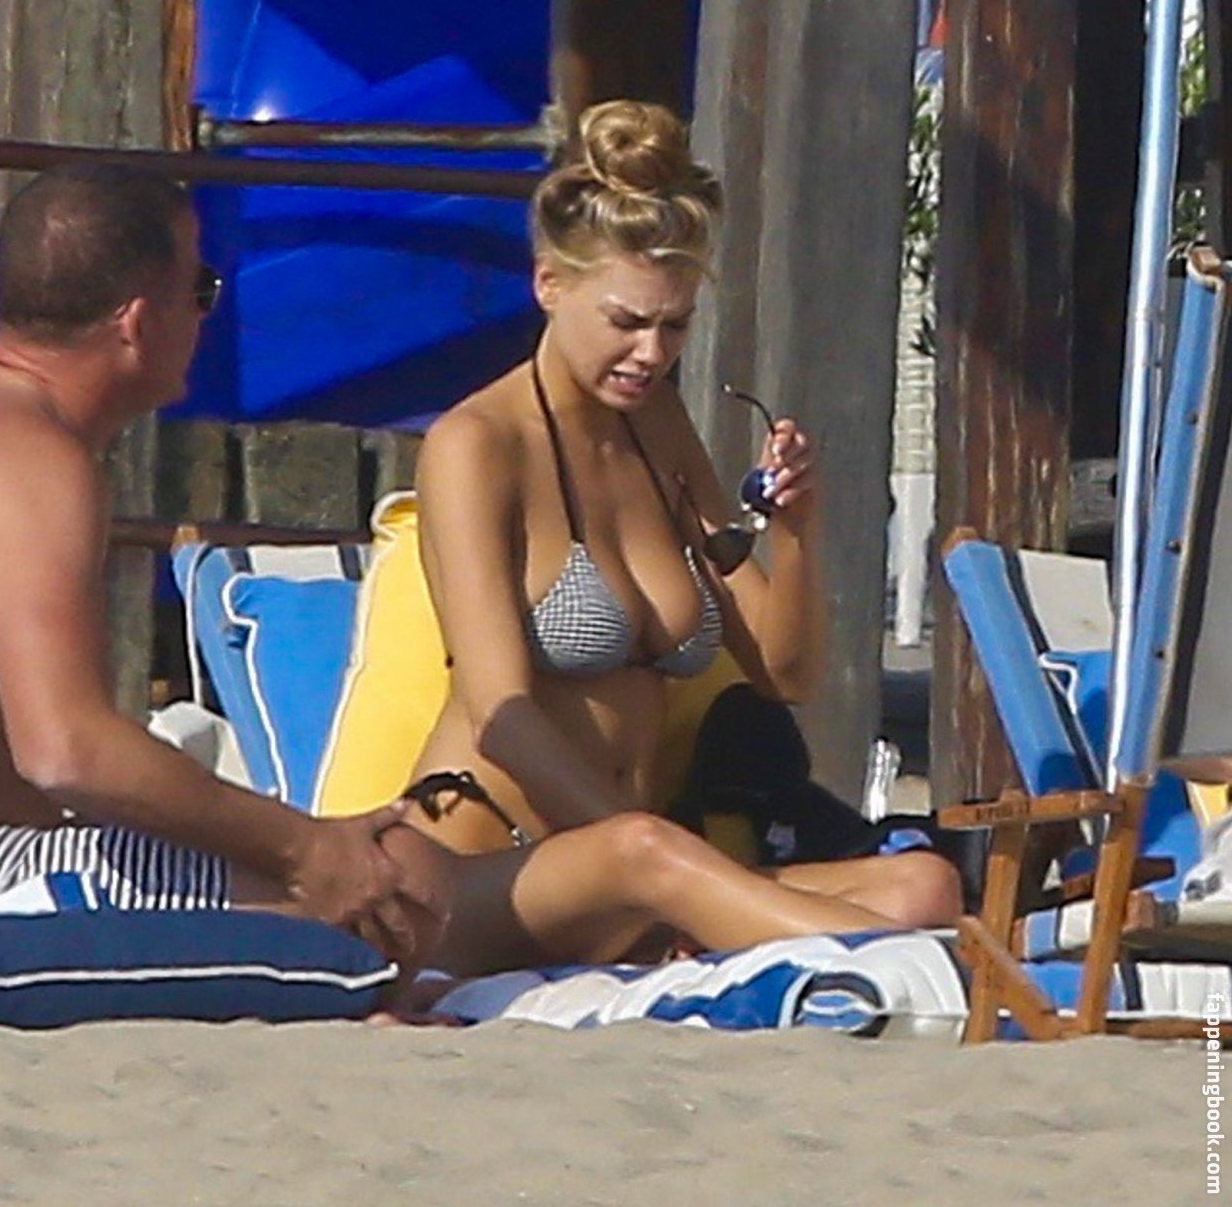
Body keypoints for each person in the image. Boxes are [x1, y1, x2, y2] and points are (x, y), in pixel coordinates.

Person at [0, 160, 941, 983]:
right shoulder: (35, 460)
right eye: (201, 289)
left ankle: (814, 931)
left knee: (360, 868)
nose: (211, 315)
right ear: (138, 320)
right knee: (380, 885)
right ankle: (862, 967)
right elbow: (68, 749)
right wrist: (305, 845)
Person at [402, 100, 962, 955]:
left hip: (640, 868)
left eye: (675, 325)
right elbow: (499, 717)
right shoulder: (476, 445)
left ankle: (902, 960)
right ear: (549, 285)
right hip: (484, 870)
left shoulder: (656, 426)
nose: (651, 354)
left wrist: (797, 532)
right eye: (626, 322)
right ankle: (941, 975)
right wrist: (653, 862)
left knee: (923, 883)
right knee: (651, 856)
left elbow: (786, 672)